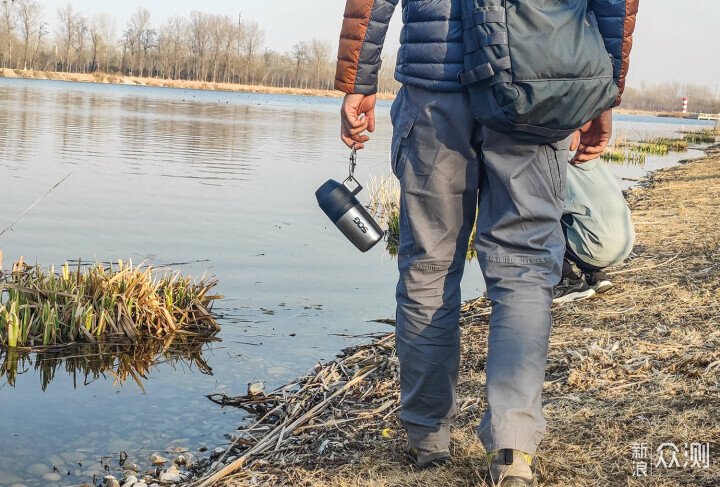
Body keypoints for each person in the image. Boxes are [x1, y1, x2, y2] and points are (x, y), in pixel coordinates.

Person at [335, 1, 638, 485]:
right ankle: (512, 449)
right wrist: (604, 92)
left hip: (438, 91)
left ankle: (428, 441)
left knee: (429, 268)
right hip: (539, 82)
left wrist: (357, 81)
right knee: (524, 270)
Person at [553, 158, 636, 304]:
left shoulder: (548, 159)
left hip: (595, 248)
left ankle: (567, 280)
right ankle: (595, 274)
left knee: (529, 219)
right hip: (624, 246)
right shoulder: (588, 151)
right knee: (584, 211)